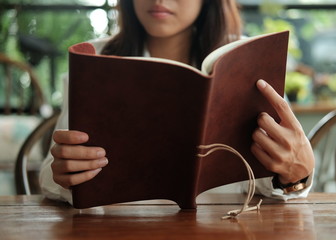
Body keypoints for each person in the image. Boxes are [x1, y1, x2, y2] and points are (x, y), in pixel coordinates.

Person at [40, 0, 315, 204]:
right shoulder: (95, 60)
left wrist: (295, 175)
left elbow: (279, 176)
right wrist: (63, 174)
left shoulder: (249, 59)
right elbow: (51, 173)